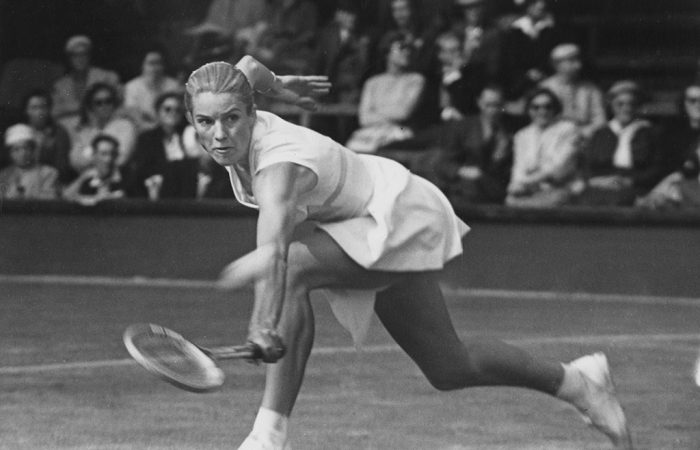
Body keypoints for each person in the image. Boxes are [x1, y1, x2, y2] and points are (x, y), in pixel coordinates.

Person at [184, 55, 631, 449]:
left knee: (296, 267)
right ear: (193, 119)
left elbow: (275, 252)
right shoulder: (232, 88)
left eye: (232, 119)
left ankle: (267, 436)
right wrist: (281, 85)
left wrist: (264, 322)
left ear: (251, 113)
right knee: (450, 366)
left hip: (395, 211)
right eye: (205, 122)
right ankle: (578, 381)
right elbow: (247, 67)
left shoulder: (278, 168)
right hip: (361, 219)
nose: (220, 134)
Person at [578, 81, 661, 206]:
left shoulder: (649, 134)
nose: (626, 109)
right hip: (600, 186)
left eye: (631, 104)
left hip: (635, 187)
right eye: (620, 104)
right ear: (611, 105)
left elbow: (656, 168)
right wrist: (599, 181)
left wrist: (629, 181)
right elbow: (587, 166)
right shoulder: (600, 134)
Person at [345, 34, 426, 153]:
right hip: (371, 132)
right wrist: (389, 113)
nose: (407, 52)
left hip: (399, 133)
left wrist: (375, 112)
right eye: (401, 48)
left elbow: (402, 113)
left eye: (409, 49)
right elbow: (364, 118)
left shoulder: (415, 80)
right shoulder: (373, 82)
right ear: (387, 53)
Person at [436, 84, 515, 205]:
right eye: (488, 105)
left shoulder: (508, 131)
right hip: (462, 189)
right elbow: (443, 163)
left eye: (497, 105)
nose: (492, 110)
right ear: (479, 103)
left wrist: (499, 156)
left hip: (493, 192)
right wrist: (462, 170)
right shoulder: (462, 127)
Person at [506, 87, 580, 207]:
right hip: (529, 190)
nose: (542, 111)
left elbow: (557, 167)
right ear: (529, 109)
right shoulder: (522, 135)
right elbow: (518, 167)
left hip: (560, 189)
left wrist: (524, 182)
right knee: (510, 200)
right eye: (536, 107)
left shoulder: (568, 129)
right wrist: (516, 185)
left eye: (547, 106)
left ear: (555, 108)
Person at [125, 92, 204, 199]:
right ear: (158, 112)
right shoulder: (146, 138)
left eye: (177, 110)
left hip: (186, 193)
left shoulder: (188, 135)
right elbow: (142, 170)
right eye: (167, 109)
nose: (173, 113)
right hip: (156, 194)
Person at [67, 82, 137, 172]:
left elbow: (120, 160)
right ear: (91, 106)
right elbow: (75, 161)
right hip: (89, 178)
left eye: (108, 101)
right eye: (98, 103)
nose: (104, 106)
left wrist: (87, 154)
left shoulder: (125, 126)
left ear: (114, 103)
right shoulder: (85, 130)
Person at [540, 43, 606, 139]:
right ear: (557, 64)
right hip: (553, 139)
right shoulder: (545, 88)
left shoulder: (591, 89)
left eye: (578, 60)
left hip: (584, 139)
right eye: (571, 61)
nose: (578, 65)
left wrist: (583, 132)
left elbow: (600, 120)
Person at [52, 35, 121, 119]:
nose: (80, 59)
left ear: (89, 56)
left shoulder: (106, 77)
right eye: (75, 55)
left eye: (83, 54)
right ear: (69, 59)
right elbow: (55, 112)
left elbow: (119, 101)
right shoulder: (60, 86)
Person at [22, 89, 74, 184]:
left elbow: (62, 168)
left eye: (43, 107)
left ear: (49, 109)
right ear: (26, 110)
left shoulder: (59, 133)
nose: (39, 112)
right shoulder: (20, 133)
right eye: (34, 108)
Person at [124, 49, 182, 130]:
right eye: (151, 63)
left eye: (158, 63)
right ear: (142, 65)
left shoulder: (173, 85)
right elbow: (133, 114)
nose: (155, 68)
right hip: (143, 129)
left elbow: (176, 113)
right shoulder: (132, 86)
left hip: (169, 127)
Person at [63, 134, 125, 206]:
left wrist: (93, 200)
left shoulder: (123, 177)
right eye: (104, 154)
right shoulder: (88, 176)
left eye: (112, 154)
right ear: (94, 155)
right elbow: (65, 196)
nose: (108, 159)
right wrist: (84, 177)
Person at [0, 124, 59, 199]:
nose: (22, 154)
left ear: (33, 150)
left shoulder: (48, 173)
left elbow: (50, 201)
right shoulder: (3, 175)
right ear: (10, 153)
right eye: (16, 149)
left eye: (26, 148)